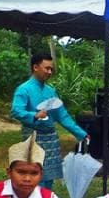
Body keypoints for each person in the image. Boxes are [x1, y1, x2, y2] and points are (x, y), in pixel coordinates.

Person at [11, 53, 89, 190]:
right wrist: (34, 115)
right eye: (47, 68)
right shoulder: (23, 89)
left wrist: (81, 133)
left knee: (48, 178)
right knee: (33, 174)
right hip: (33, 138)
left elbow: (62, 116)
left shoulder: (51, 91)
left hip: (51, 139)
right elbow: (16, 110)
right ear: (35, 67)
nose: (50, 72)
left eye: (51, 69)